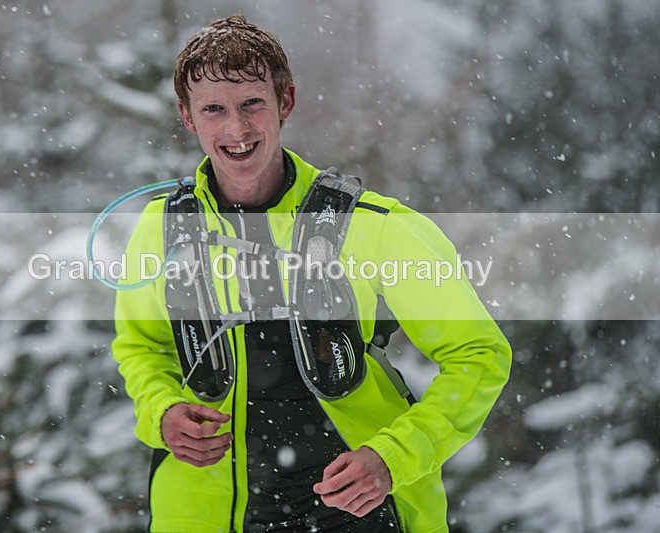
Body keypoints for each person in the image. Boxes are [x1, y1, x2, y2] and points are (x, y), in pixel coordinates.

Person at [112, 14, 511, 533]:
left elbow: (479, 356)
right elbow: (141, 347)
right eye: (214, 109)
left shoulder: (374, 228)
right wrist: (162, 412)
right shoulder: (160, 229)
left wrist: (396, 457)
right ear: (188, 118)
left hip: (361, 510)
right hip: (204, 512)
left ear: (286, 102)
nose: (237, 129)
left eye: (252, 103)